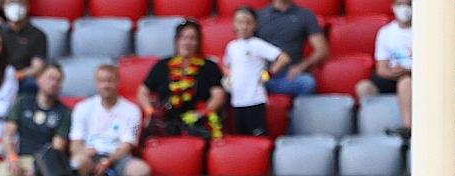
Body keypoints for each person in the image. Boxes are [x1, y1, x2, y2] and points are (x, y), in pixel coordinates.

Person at [139, 20, 227, 141]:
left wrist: (201, 113)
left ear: (198, 42)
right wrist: (150, 111)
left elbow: (218, 95)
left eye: (192, 38)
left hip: (198, 122)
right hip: (166, 123)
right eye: (183, 37)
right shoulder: (162, 65)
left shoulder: (209, 66)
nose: (187, 42)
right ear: (177, 40)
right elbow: (142, 92)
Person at [69, 65, 151, 176]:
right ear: (96, 83)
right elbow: (75, 142)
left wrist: (108, 161)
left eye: (110, 81)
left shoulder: (133, 110)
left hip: (119, 157)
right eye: (102, 81)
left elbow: (128, 144)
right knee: (78, 162)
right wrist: (82, 153)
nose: (106, 85)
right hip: (90, 155)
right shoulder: (82, 107)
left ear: (118, 82)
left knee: (141, 170)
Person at [0, 64, 70, 176]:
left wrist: (40, 168)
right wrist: (11, 156)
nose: (54, 83)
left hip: (45, 163)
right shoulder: (23, 102)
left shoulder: (64, 112)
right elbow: (8, 134)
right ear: (39, 79)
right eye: (51, 78)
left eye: (58, 80)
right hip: (20, 158)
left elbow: (57, 147)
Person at [224, 8, 290, 137]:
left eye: (248, 22)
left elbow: (283, 58)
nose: (244, 26)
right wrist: (229, 78)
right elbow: (227, 65)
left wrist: (269, 74)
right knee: (241, 139)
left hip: (255, 100)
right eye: (240, 22)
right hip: (237, 102)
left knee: (258, 138)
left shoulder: (257, 44)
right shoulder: (231, 46)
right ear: (234, 24)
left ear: (255, 25)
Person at [356, 0, 414, 139]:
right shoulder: (386, 32)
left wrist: (408, 71)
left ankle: (409, 127)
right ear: (393, 7)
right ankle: (370, 131)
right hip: (392, 75)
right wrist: (393, 72)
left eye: (408, 4)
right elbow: (381, 68)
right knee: (363, 87)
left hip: (415, 76)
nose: (404, 8)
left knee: (405, 83)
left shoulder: (424, 31)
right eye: (400, 4)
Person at [256, 0, 328, 96]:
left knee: (307, 83)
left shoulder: (305, 15)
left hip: (287, 75)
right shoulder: (259, 16)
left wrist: (301, 67)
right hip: (263, 73)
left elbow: (322, 51)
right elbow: (245, 45)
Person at [0, 1, 48, 89]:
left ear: (27, 6)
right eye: (11, 2)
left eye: (20, 2)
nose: (15, 6)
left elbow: (37, 67)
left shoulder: (38, 35)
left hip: (24, 79)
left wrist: (17, 75)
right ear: (3, 7)